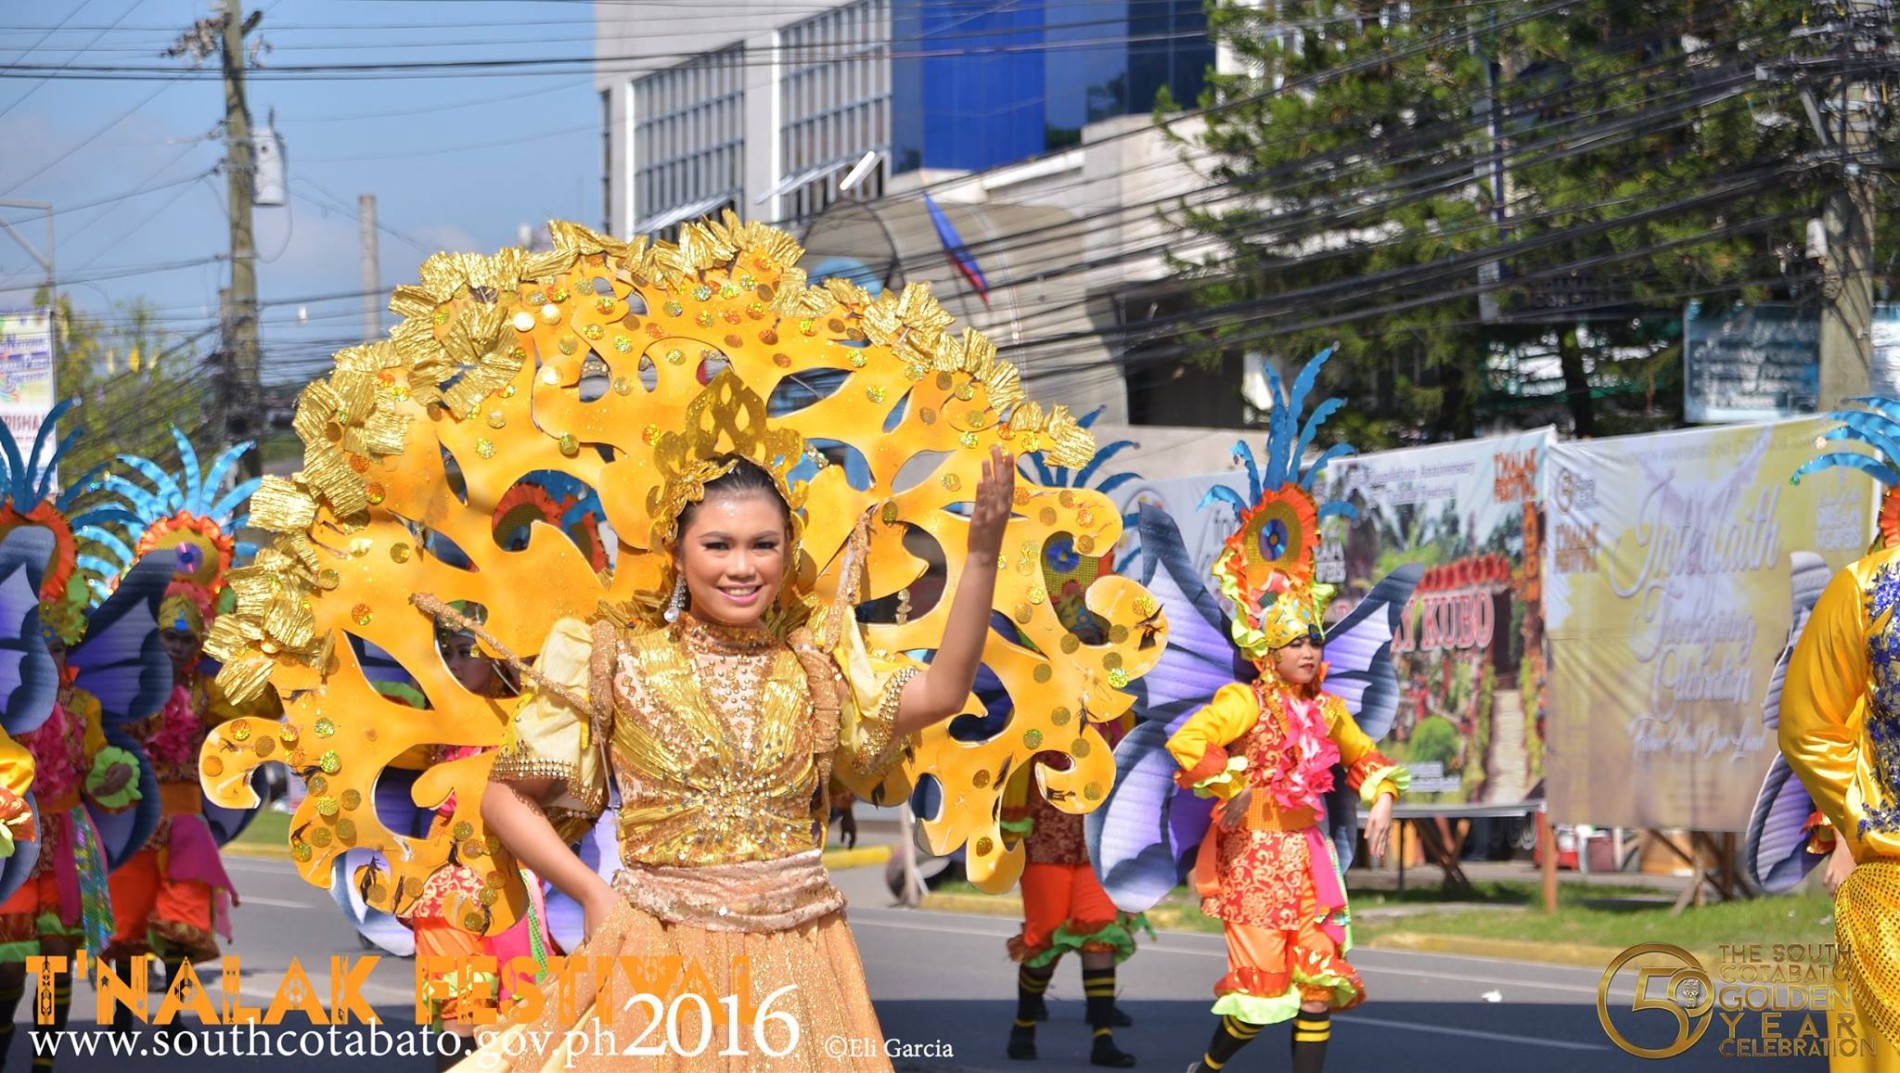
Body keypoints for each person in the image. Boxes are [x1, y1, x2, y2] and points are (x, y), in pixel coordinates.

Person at [105, 586, 278, 1036]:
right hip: (135, 817)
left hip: (186, 820)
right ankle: (120, 1013)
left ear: (197, 644)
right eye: (168, 637)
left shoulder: (207, 692)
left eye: (185, 640)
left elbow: (258, 708)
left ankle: (173, 1017)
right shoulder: (131, 687)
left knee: (183, 922)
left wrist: (268, 653)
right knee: (128, 921)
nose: (176, 646)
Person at [0, 621, 138, 1071]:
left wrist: (114, 773)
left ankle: (43, 1064)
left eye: (56, 649)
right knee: (8, 964)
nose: (48, 659)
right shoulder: (6, 703)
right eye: (38, 649)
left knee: (56, 959)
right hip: (15, 839)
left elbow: (97, 763)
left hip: (67, 841)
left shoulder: (83, 707)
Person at [1000, 738, 1142, 1068]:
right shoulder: (1038, 702)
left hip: (1097, 844)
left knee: (1101, 936)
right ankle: (1024, 1025)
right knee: (1044, 940)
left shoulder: (1117, 713)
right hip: (1044, 840)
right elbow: (1013, 754)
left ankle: (1102, 1038)